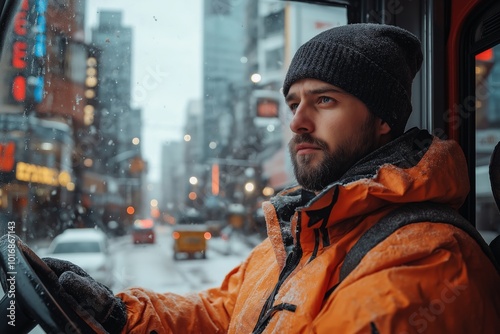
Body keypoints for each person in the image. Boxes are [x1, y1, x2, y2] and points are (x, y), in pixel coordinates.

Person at [42, 23, 500, 333]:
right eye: (293, 103)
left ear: (382, 118)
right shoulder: (303, 232)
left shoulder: (428, 258)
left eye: (324, 101)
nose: (298, 121)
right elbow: (225, 314)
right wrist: (121, 315)